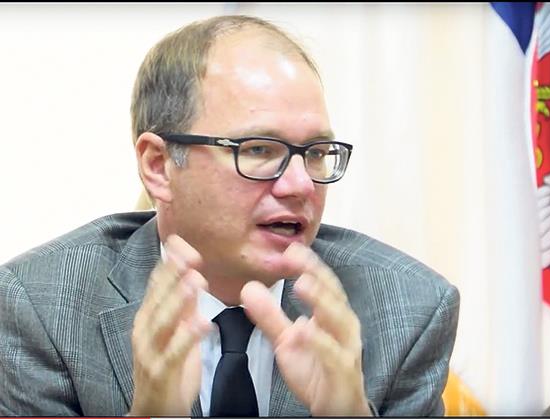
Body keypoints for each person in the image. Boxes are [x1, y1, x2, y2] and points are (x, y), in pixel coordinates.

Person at [0, 15, 459, 416]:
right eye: (258, 149)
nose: (301, 184)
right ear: (159, 166)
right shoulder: (41, 309)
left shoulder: (408, 311)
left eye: (317, 152)